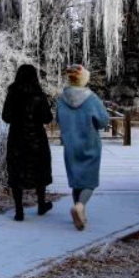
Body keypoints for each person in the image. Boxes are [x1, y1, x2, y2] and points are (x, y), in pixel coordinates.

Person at [55, 64, 109, 231]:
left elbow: (58, 119)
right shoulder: (92, 99)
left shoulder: (62, 99)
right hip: (90, 143)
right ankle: (80, 206)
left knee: (76, 181)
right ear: (84, 79)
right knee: (89, 181)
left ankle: (80, 214)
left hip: (70, 144)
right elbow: (103, 121)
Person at [1, 64, 54, 221]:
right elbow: (47, 118)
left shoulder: (12, 94)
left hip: (16, 139)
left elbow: (6, 117)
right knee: (39, 170)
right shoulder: (39, 95)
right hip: (36, 139)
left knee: (17, 171)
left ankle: (19, 211)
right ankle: (41, 204)